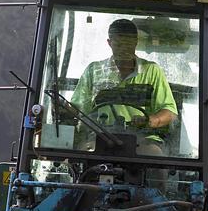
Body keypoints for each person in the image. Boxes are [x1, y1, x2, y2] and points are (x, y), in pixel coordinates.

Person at [71, 18, 178, 154]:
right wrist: (65, 109)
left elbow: (170, 112)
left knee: (153, 154)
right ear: (109, 43)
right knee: (84, 154)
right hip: (100, 137)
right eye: (118, 43)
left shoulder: (152, 71)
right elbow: (78, 108)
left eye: (128, 43)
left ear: (136, 42)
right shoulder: (94, 71)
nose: (124, 49)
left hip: (143, 139)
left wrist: (149, 121)